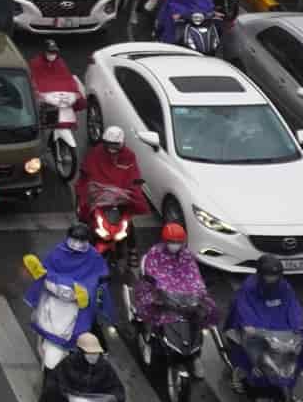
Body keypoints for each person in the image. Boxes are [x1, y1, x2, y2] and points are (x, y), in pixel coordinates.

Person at [222, 256, 303, 402]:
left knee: (295, 355)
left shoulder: (284, 287)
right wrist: (248, 325)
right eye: (268, 275)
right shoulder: (249, 288)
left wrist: (299, 324)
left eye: (275, 276)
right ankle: (238, 374)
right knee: (246, 350)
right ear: (260, 274)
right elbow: (243, 307)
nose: (271, 279)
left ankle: (288, 391)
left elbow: (293, 306)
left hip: (280, 327)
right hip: (256, 327)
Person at [25, 222, 117, 350]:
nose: (77, 244)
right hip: (57, 295)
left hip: (80, 300)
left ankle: (101, 349)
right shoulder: (59, 251)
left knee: (92, 321)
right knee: (40, 309)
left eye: (81, 240)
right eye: (74, 239)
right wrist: (42, 273)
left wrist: (91, 289)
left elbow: (100, 275)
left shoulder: (94, 256)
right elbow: (47, 268)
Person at [133, 222, 218, 335]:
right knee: (149, 308)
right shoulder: (155, 254)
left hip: (185, 298)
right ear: (165, 240)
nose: (175, 245)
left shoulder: (186, 255)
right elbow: (153, 275)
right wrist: (161, 290)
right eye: (172, 242)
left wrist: (200, 290)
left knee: (209, 308)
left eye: (178, 242)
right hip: (163, 296)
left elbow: (194, 274)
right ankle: (148, 334)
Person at [75, 125, 145, 224]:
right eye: (109, 143)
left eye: (115, 144)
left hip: (122, 196)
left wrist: (134, 187)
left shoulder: (129, 155)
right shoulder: (96, 152)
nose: (112, 146)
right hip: (99, 194)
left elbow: (133, 174)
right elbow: (87, 171)